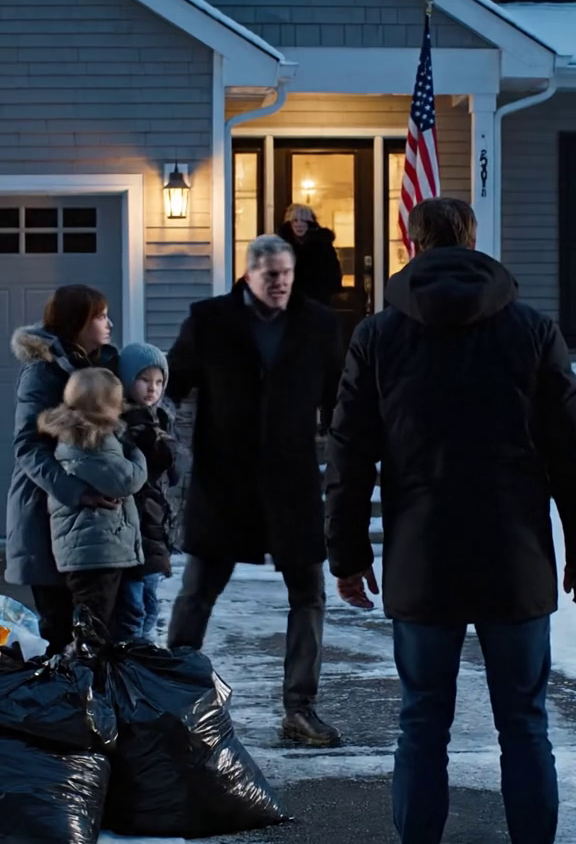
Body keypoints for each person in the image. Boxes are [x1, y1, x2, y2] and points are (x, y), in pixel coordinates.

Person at [324, 197, 576, 844]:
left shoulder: (378, 335)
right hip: (516, 558)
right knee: (526, 730)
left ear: (409, 244)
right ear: (473, 242)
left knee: (422, 730)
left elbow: (348, 455)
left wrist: (347, 555)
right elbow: (575, 450)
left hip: (423, 559)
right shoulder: (530, 329)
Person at [165, 234, 345, 747]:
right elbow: (171, 383)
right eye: (271, 275)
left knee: (309, 595)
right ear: (249, 275)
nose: (280, 283)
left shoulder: (318, 323)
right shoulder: (210, 320)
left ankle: (300, 710)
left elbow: (340, 397)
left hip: (292, 483)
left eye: (287, 273)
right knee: (198, 591)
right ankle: (171, 699)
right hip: (225, 483)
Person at [5, 285, 120, 656]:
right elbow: (28, 446)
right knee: (59, 632)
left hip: (93, 528)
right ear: (76, 323)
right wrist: (77, 492)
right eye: (100, 316)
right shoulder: (42, 372)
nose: (109, 324)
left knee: (99, 635)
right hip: (45, 512)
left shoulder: (101, 366)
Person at [37, 367, 148, 632]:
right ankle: (87, 659)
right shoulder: (92, 440)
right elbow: (127, 480)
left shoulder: (76, 437)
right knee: (94, 623)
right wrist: (136, 451)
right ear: (100, 408)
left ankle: (89, 656)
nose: (121, 408)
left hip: (91, 549)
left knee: (94, 619)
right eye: (115, 403)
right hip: (96, 552)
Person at [113, 343, 178, 643]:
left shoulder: (161, 419)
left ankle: (145, 655)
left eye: (159, 381)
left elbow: (172, 473)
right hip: (132, 526)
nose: (153, 388)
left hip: (154, 525)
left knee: (151, 603)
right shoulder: (123, 423)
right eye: (144, 379)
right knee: (133, 607)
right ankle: (132, 656)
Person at [277, 204, 343, 307]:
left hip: (317, 301)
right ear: (289, 223)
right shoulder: (280, 246)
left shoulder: (323, 244)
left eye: (304, 221)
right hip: (288, 302)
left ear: (310, 223)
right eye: (295, 221)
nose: (299, 224)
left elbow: (333, 272)